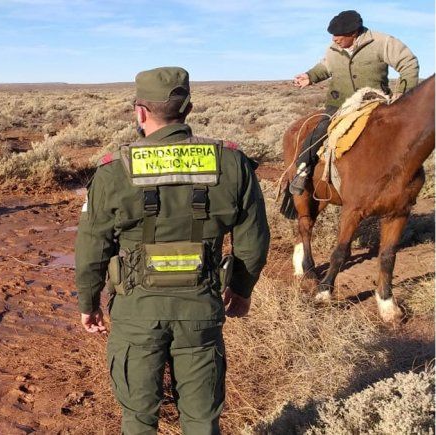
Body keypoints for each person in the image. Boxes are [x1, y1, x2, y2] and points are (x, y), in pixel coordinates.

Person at [75, 67, 270, 435]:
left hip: (136, 314)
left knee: (138, 416)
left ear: (141, 112)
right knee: (201, 419)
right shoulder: (231, 163)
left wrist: (89, 304)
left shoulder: (114, 170)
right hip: (200, 311)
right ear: (189, 109)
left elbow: (91, 249)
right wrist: (241, 290)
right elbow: (254, 241)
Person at [289, 9, 419, 194]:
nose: (334, 39)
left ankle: (406, 178)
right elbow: (326, 66)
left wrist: (402, 93)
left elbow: (408, 62)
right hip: (339, 102)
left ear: (353, 33)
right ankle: (302, 170)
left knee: (401, 135)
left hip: (374, 102)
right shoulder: (333, 48)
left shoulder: (382, 42)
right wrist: (310, 76)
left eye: (338, 36)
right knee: (318, 133)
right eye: (333, 35)